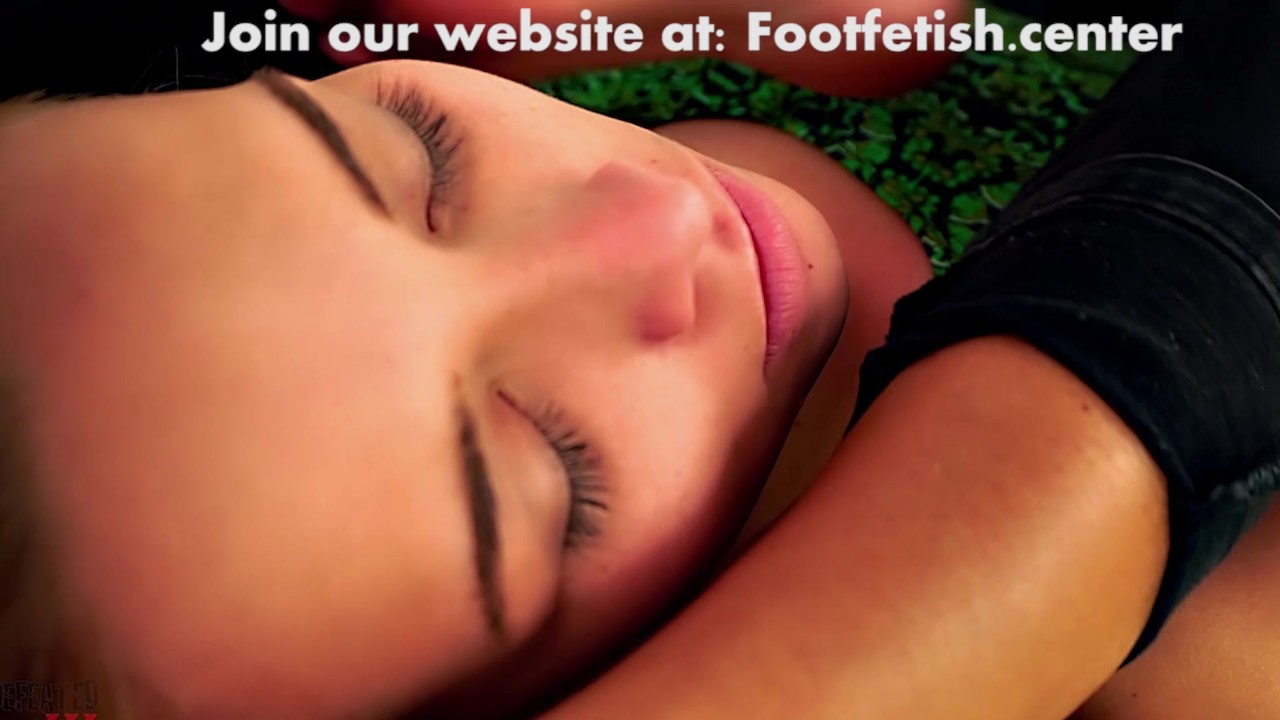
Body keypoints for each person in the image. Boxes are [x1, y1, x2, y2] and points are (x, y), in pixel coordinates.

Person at [1, 3, 1277, 720]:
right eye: (554, 462)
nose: (651, 220)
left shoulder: (665, 103)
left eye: (419, 151)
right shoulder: (1195, 653)